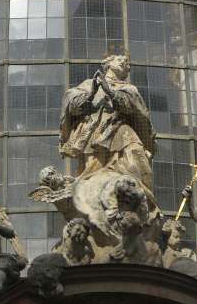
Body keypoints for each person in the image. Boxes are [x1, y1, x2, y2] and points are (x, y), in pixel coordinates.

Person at [60, 54, 155, 199]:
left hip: (121, 130)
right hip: (95, 133)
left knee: (138, 161)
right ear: (108, 64)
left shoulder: (129, 89)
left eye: (127, 63)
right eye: (120, 60)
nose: (124, 62)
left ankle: (143, 199)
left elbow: (133, 109)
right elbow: (73, 107)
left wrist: (109, 91)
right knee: (93, 174)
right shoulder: (87, 84)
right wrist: (91, 93)